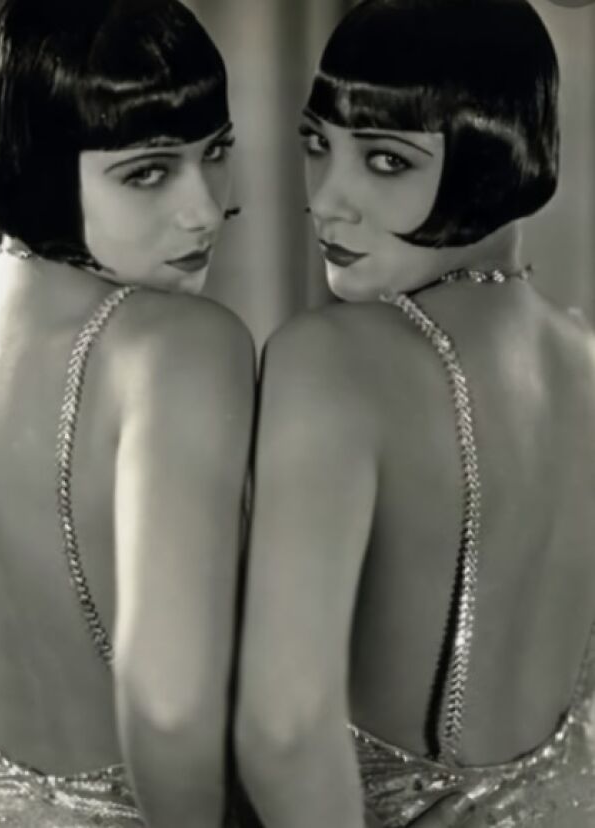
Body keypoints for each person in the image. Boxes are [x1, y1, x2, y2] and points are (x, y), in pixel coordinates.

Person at [234, 1, 595, 826]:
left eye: (387, 162)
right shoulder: (584, 359)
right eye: (317, 146)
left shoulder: (333, 364)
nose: (329, 201)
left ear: (497, 150)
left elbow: (285, 731)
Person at [0, 1, 254, 826]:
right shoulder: (180, 347)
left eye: (216, 153)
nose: (204, 208)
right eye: (149, 172)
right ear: (45, 163)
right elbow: (166, 710)